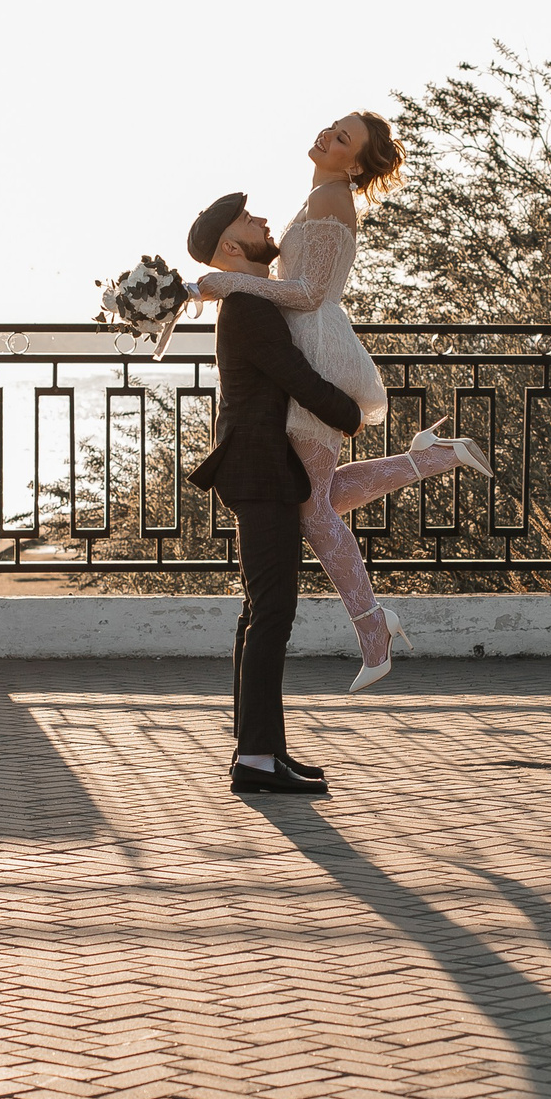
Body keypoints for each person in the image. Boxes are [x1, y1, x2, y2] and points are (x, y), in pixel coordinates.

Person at [190, 112, 490, 692]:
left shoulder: (333, 202)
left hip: (318, 347)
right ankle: (434, 456)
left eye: (343, 138)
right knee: (317, 495)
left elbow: (309, 293)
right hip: (311, 341)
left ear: (354, 163)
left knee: (309, 508)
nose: (328, 135)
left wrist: (230, 283)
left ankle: (374, 628)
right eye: (333, 126)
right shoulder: (320, 195)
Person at [184, 192, 367, 796]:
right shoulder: (245, 306)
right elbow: (296, 376)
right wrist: (350, 413)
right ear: (231, 248)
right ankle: (256, 759)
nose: (263, 221)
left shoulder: (246, 302)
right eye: (247, 219)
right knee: (272, 614)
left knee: (260, 614)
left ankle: (261, 752)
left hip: (258, 468)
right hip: (260, 470)